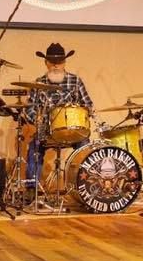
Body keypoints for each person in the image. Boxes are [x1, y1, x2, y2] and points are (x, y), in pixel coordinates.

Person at [24, 43, 95, 195]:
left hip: (73, 130)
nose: (56, 65)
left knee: (85, 146)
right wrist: (36, 119)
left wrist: (83, 111)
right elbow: (29, 108)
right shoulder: (38, 83)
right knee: (34, 147)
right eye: (52, 62)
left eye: (59, 62)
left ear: (64, 63)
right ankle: (32, 189)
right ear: (46, 63)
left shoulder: (75, 81)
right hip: (47, 130)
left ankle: (85, 187)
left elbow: (88, 105)